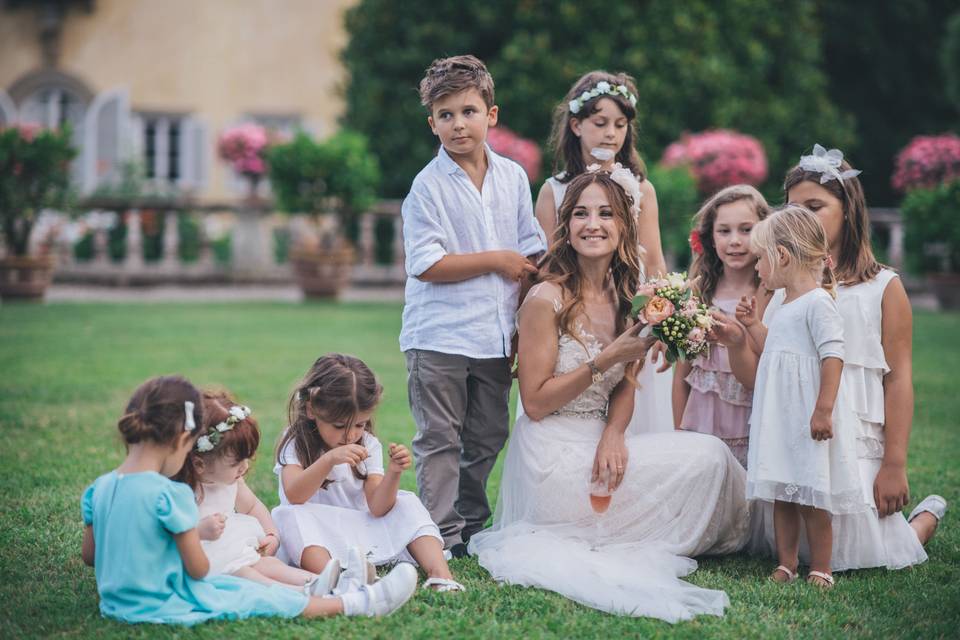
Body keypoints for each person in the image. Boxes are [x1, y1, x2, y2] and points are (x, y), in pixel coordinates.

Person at [469, 171, 750, 622]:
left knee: (710, 456)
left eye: (605, 213)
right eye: (580, 214)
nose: (592, 224)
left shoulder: (629, 298)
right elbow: (537, 402)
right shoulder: (545, 298)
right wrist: (607, 356)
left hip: (599, 439)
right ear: (566, 226)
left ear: (623, 226)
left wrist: (615, 433)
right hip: (551, 456)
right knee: (672, 480)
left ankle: (745, 529)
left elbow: (627, 382)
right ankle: (604, 526)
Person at [746, 145, 947, 571]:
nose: (800, 216)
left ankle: (925, 517)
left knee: (874, 551)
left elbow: (898, 379)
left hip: (853, 436)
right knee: (789, 538)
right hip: (796, 436)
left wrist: (894, 464)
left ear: (847, 210)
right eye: (792, 207)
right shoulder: (780, 289)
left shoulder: (883, 287)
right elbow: (772, 356)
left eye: (815, 206)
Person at [80, 376, 417, 625]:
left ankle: (342, 588)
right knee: (260, 594)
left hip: (114, 606)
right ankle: (362, 601)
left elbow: (91, 556)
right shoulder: (172, 495)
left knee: (261, 582)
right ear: (184, 438)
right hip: (165, 602)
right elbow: (198, 569)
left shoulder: (98, 488)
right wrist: (198, 537)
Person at [400, 54, 546, 556]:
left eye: (468, 111)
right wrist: (496, 260)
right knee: (439, 437)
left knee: (487, 434)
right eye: (445, 115)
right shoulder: (427, 186)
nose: (458, 124)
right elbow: (426, 263)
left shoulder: (512, 177)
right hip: (438, 334)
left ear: (492, 115)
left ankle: (470, 521)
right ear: (432, 124)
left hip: (495, 334)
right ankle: (440, 534)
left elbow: (531, 246)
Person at [535, 69, 673, 435]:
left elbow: (654, 261)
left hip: (630, 311)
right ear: (577, 125)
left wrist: (659, 320)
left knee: (634, 412)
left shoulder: (642, 190)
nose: (610, 133)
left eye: (620, 124)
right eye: (600, 123)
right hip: (576, 315)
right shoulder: (554, 190)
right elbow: (548, 265)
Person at [741, 205, 869, 588]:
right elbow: (774, 349)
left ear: (781, 256)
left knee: (813, 494)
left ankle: (822, 567)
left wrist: (823, 410)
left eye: (760, 258)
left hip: (808, 416)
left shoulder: (818, 303)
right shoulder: (782, 304)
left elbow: (833, 355)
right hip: (781, 416)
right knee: (783, 492)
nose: (757, 268)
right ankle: (786, 562)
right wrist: (752, 325)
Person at [272, 354, 464, 592]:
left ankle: (440, 575)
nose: (350, 435)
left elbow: (377, 506)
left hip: (360, 528)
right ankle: (340, 581)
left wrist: (393, 473)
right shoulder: (294, 441)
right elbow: (294, 495)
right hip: (318, 533)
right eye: (340, 426)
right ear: (312, 410)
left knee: (407, 502)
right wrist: (328, 460)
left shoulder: (368, 445)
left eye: (360, 424)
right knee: (289, 515)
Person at [173, 390, 343, 594]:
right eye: (236, 462)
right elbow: (169, 534)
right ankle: (300, 592)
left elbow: (252, 506)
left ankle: (326, 581)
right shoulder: (182, 490)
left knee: (270, 565)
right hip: (202, 559)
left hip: (231, 548)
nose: (244, 467)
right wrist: (199, 531)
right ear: (199, 464)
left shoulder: (232, 481)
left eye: (247, 458)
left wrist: (271, 534)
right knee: (245, 573)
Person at [673, 185, 770, 467]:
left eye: (746, 229)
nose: (735, 241)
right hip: (701, 425)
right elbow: (681, 377)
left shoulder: (768, 291)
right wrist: (678, 432)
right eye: (724, 231)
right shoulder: (698, 292)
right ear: (710, 238)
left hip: (750, 423)